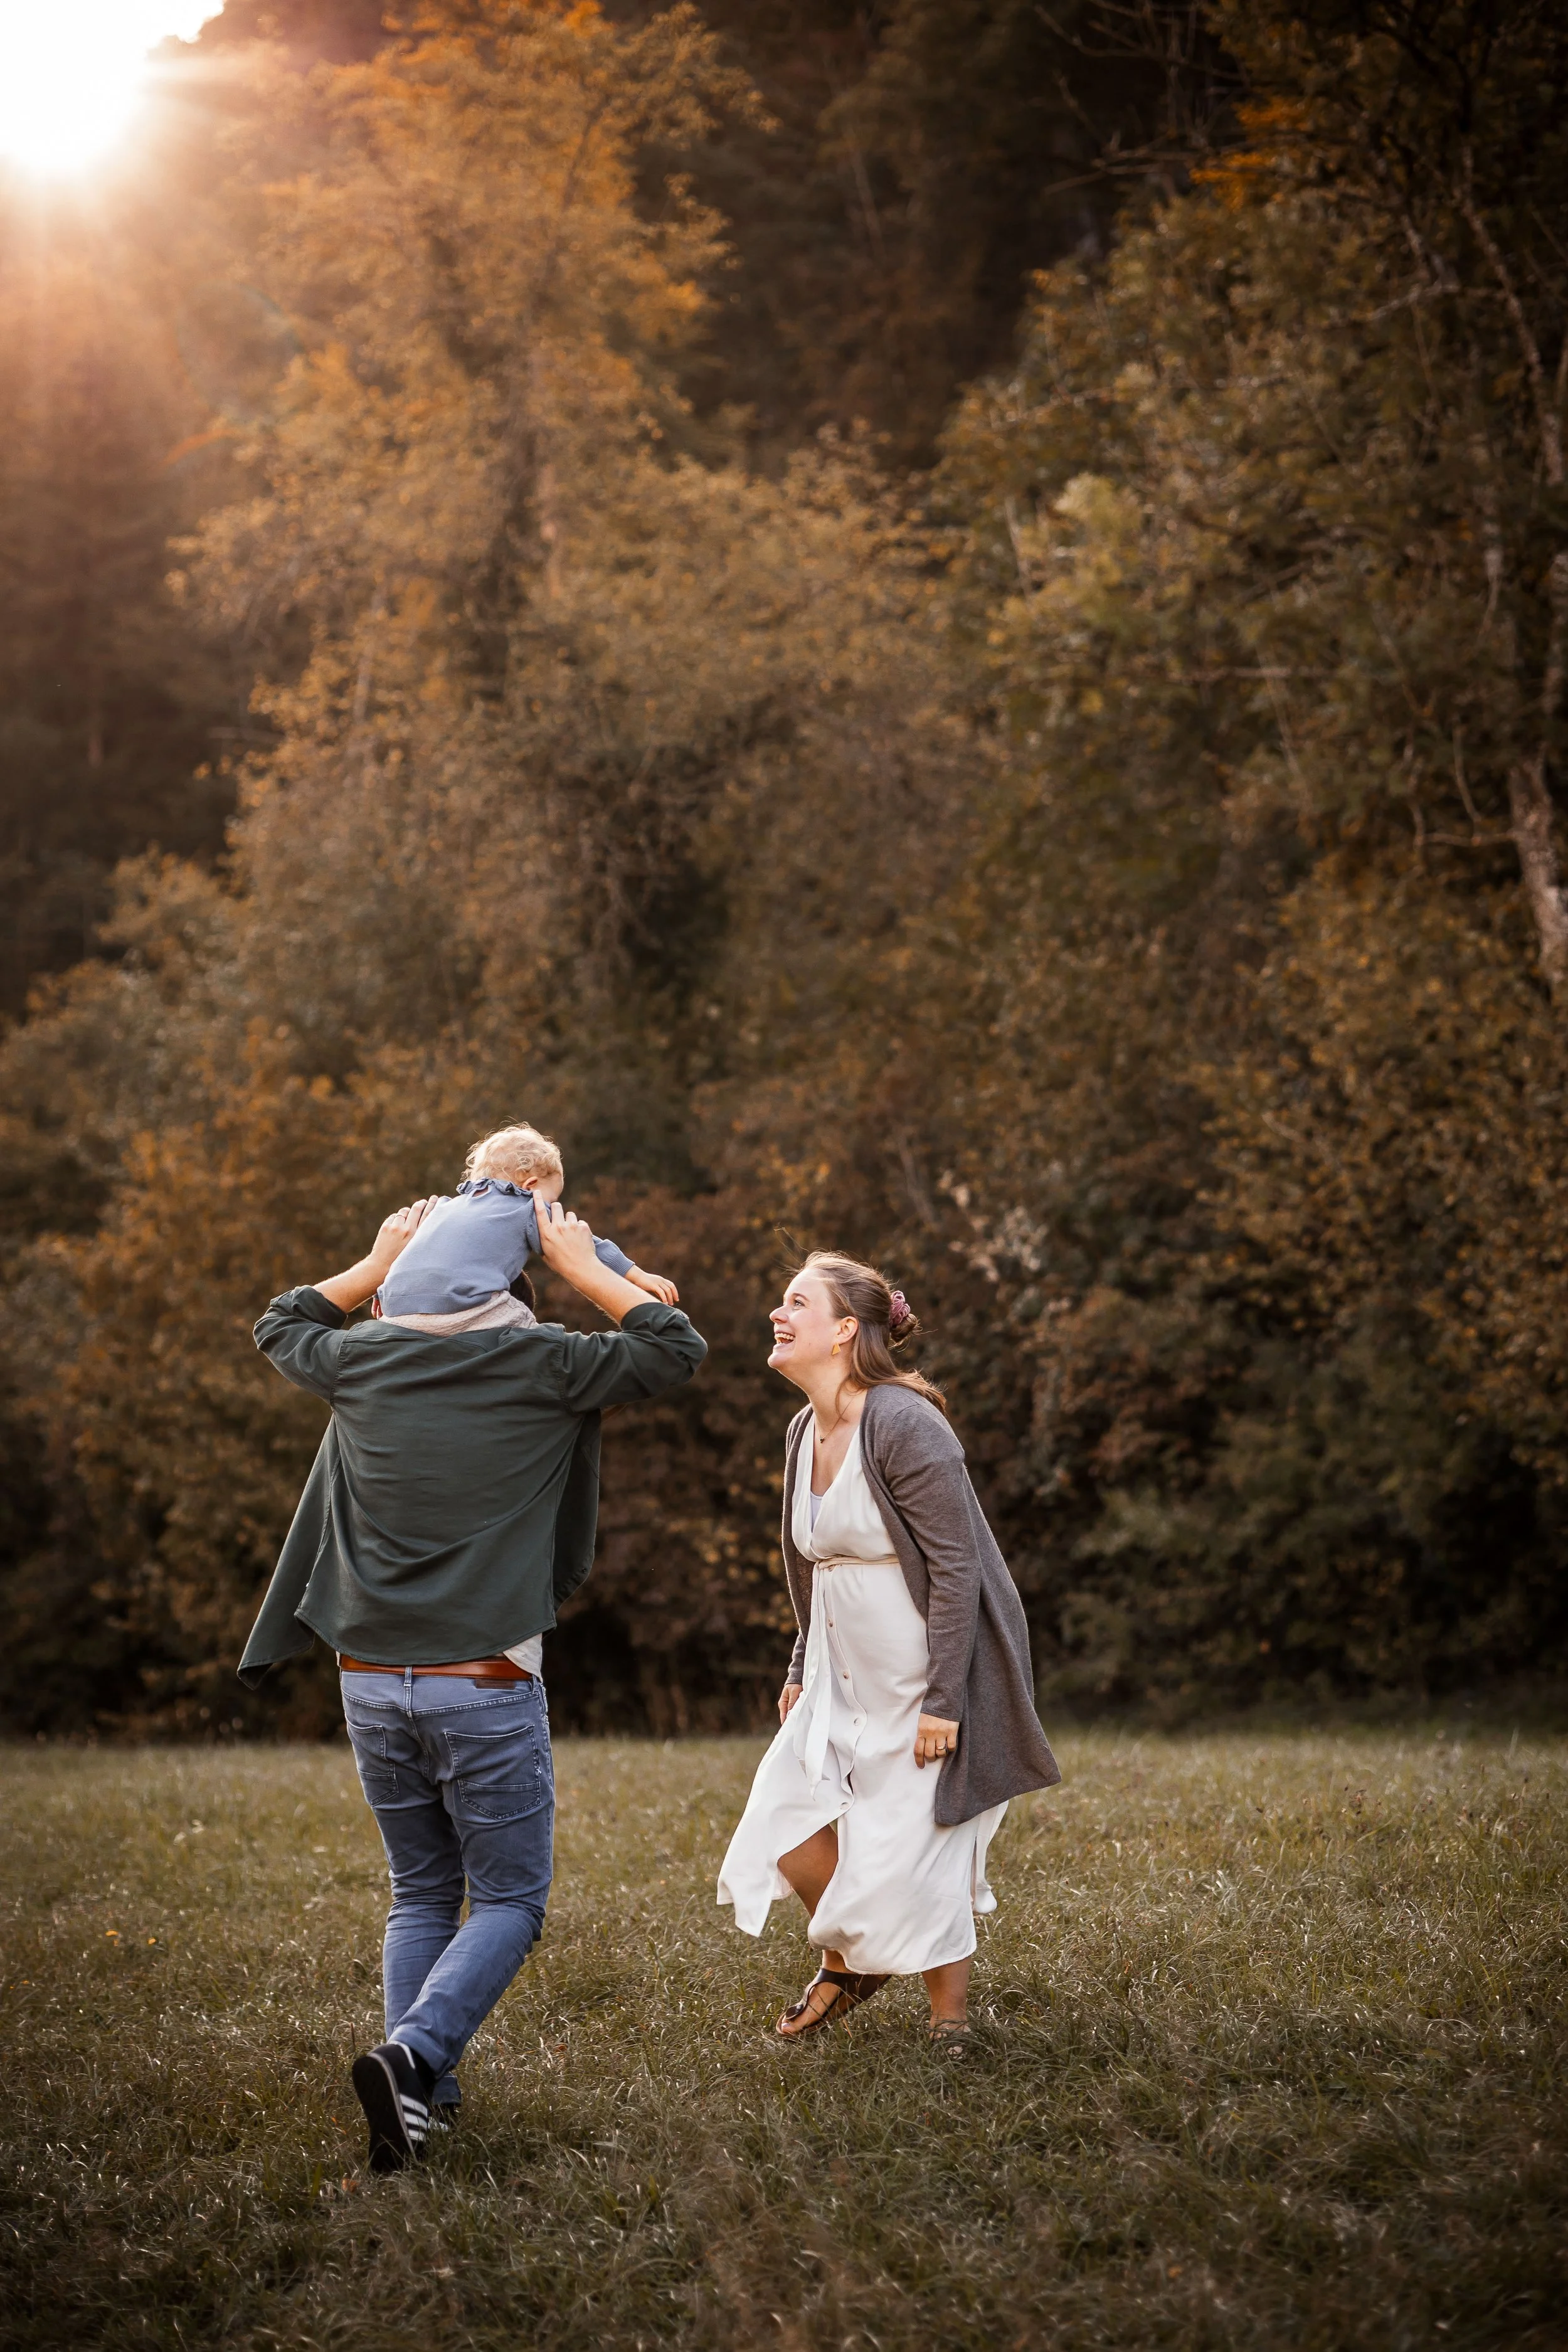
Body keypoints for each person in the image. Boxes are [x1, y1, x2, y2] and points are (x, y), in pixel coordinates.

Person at [240, 1194, 706, 2171]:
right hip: (483, 1682)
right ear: (515, 1287)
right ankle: (413, 2052)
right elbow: (674, 1347)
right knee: (508, 1904)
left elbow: (281, 1321)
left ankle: (424, 2103)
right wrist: (586, 1267)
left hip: (368, 1680)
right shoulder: (544, 1360)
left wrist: (375, 1261)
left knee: (420, 1892)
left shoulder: (362, 1360)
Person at [717, 1253, 1059, 2046]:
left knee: (923, 1845)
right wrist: (802, 1667)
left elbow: (957, 1569)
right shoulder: (805, 1429)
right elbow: (813, 1569)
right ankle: (856, 1963)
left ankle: (951, 2024)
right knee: (786, 1822)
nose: (778, 1312)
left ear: (843, 1331)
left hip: (923, 1678)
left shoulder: (905, 1422)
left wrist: (945, 1702)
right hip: (841, 1680)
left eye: (795, 1301)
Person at [376, 1120, 678, 1320]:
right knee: (524, 1324)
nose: (549, 1211)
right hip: (459, 1305)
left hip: (394, 1305)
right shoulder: (524, 1206)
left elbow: (413, 1253)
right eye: (551, 1201)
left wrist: (381, 1293)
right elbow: (590, 1246)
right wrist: (638, 1277)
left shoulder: (444, 1207)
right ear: (530, 1185)